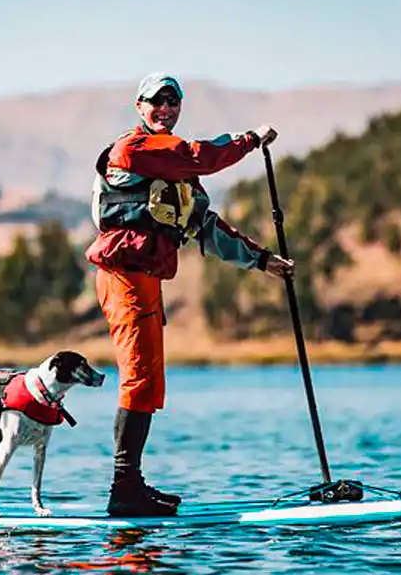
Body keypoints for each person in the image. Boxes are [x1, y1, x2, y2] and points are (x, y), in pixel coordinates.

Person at [86, 72, 295, 517]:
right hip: (124, 275)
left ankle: (131, 485)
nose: (165, 109)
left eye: (173, 102)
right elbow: (199, 155)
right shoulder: (135, 149)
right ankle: (124, 489)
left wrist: (262, 261)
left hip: (146, 280)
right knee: (139, 378)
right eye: (156, 102)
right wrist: (249, 140)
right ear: (139, 108)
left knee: (150, 383)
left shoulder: (177, 173)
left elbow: (206, 226)